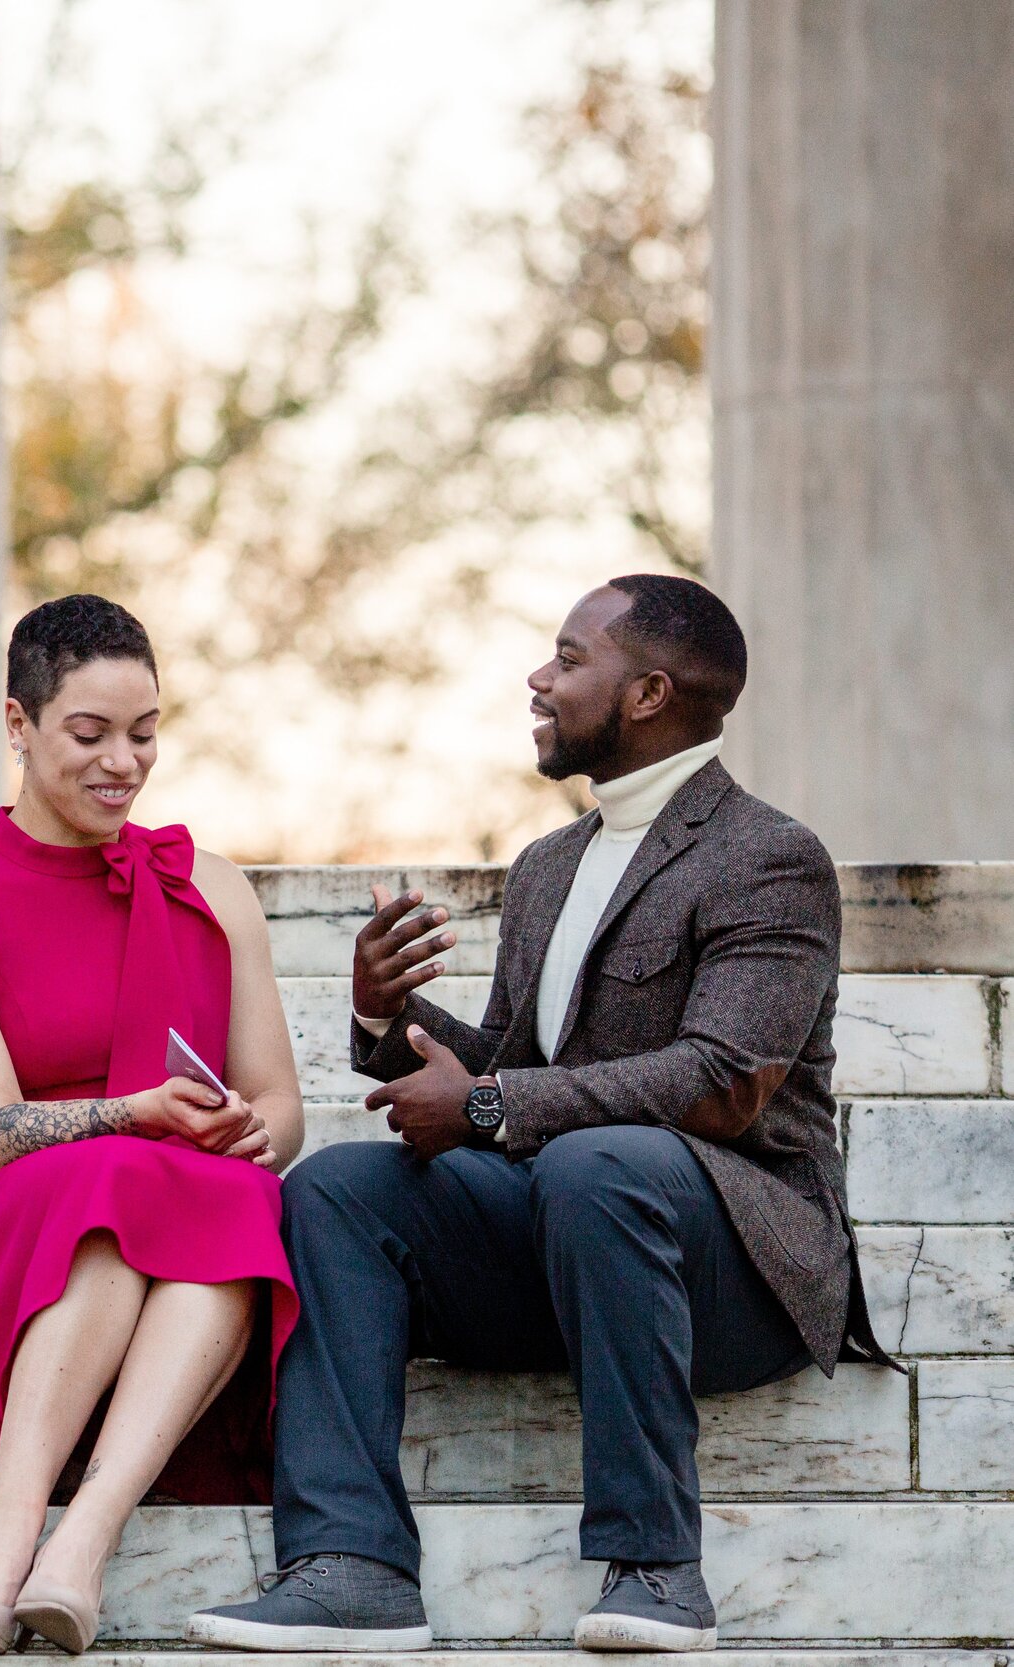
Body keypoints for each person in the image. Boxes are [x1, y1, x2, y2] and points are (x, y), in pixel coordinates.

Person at [188, 575, 896, 1655]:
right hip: (571, 1237)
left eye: (568, 659)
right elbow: (518, 1068)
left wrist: (481, 1103)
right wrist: (389, 1015)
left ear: (648, 690)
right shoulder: (548, 866)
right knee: (334, 1183)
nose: (538, 678)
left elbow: (720, 1079)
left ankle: (658, 1568)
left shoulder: (767, 856)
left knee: (599, 1164)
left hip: (733, 1274)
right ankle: (351, 1566)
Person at [0, 594, 305, 1656]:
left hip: (185, 1210)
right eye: (90, 732)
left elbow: (282, 1100)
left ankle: (82, 1542)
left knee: (237, 1191)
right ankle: (6, 1527)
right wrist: (132, 1114)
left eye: (145, 730)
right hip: (19, 1214)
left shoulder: (211, 886)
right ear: (19, 726)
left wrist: (256, 1131)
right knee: (120, 1178)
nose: (124, 760)